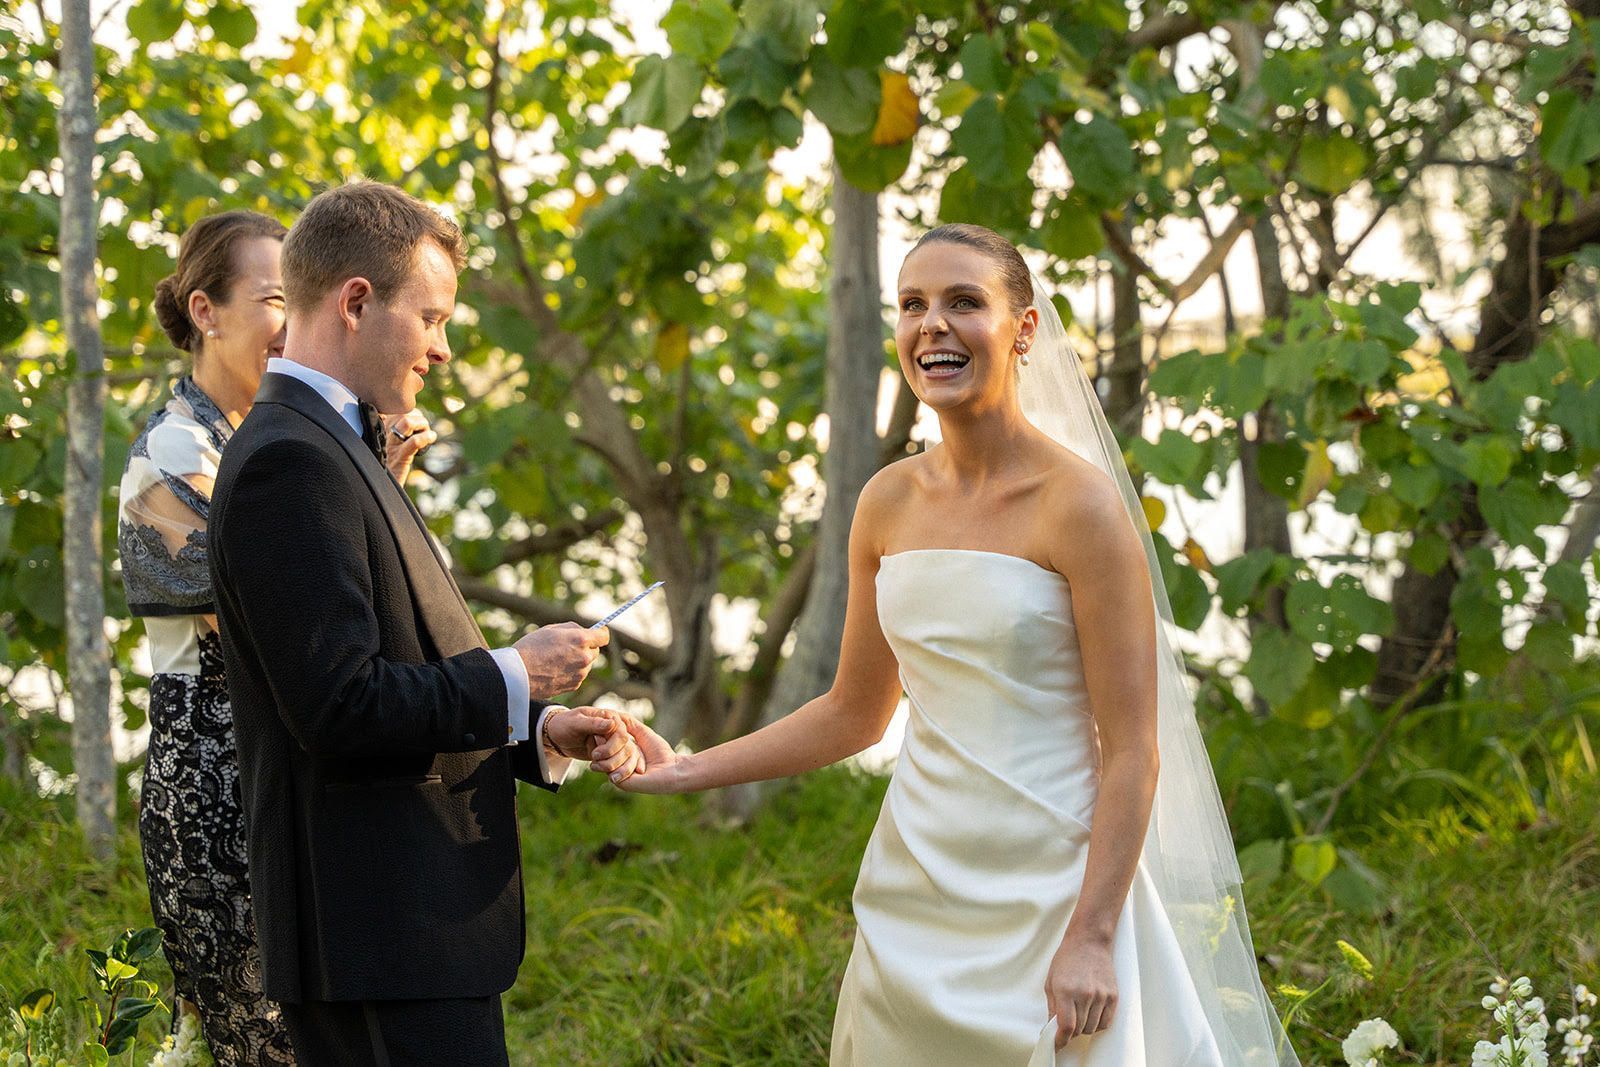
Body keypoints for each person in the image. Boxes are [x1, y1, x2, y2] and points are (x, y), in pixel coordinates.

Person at [613, 224, 1299, 1066]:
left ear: (1024, 329)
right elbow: (854, 713)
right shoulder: (886, 501)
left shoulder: (1078, 506)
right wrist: (687, 765)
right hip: (919, 889)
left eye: (963, 302)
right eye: (912, 305)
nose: (931, 324)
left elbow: (1132, 751)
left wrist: (1092, 933)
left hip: (1056, 895)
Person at [206, 181, 642, 1067]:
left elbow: (404, 661)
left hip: (409, 943)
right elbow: (341, 708)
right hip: (374, 942)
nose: (444, 350)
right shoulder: (287, 462)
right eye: (434, 318)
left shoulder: (338, 446)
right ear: (357, 302)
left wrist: (536, 725)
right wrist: (516, 671)